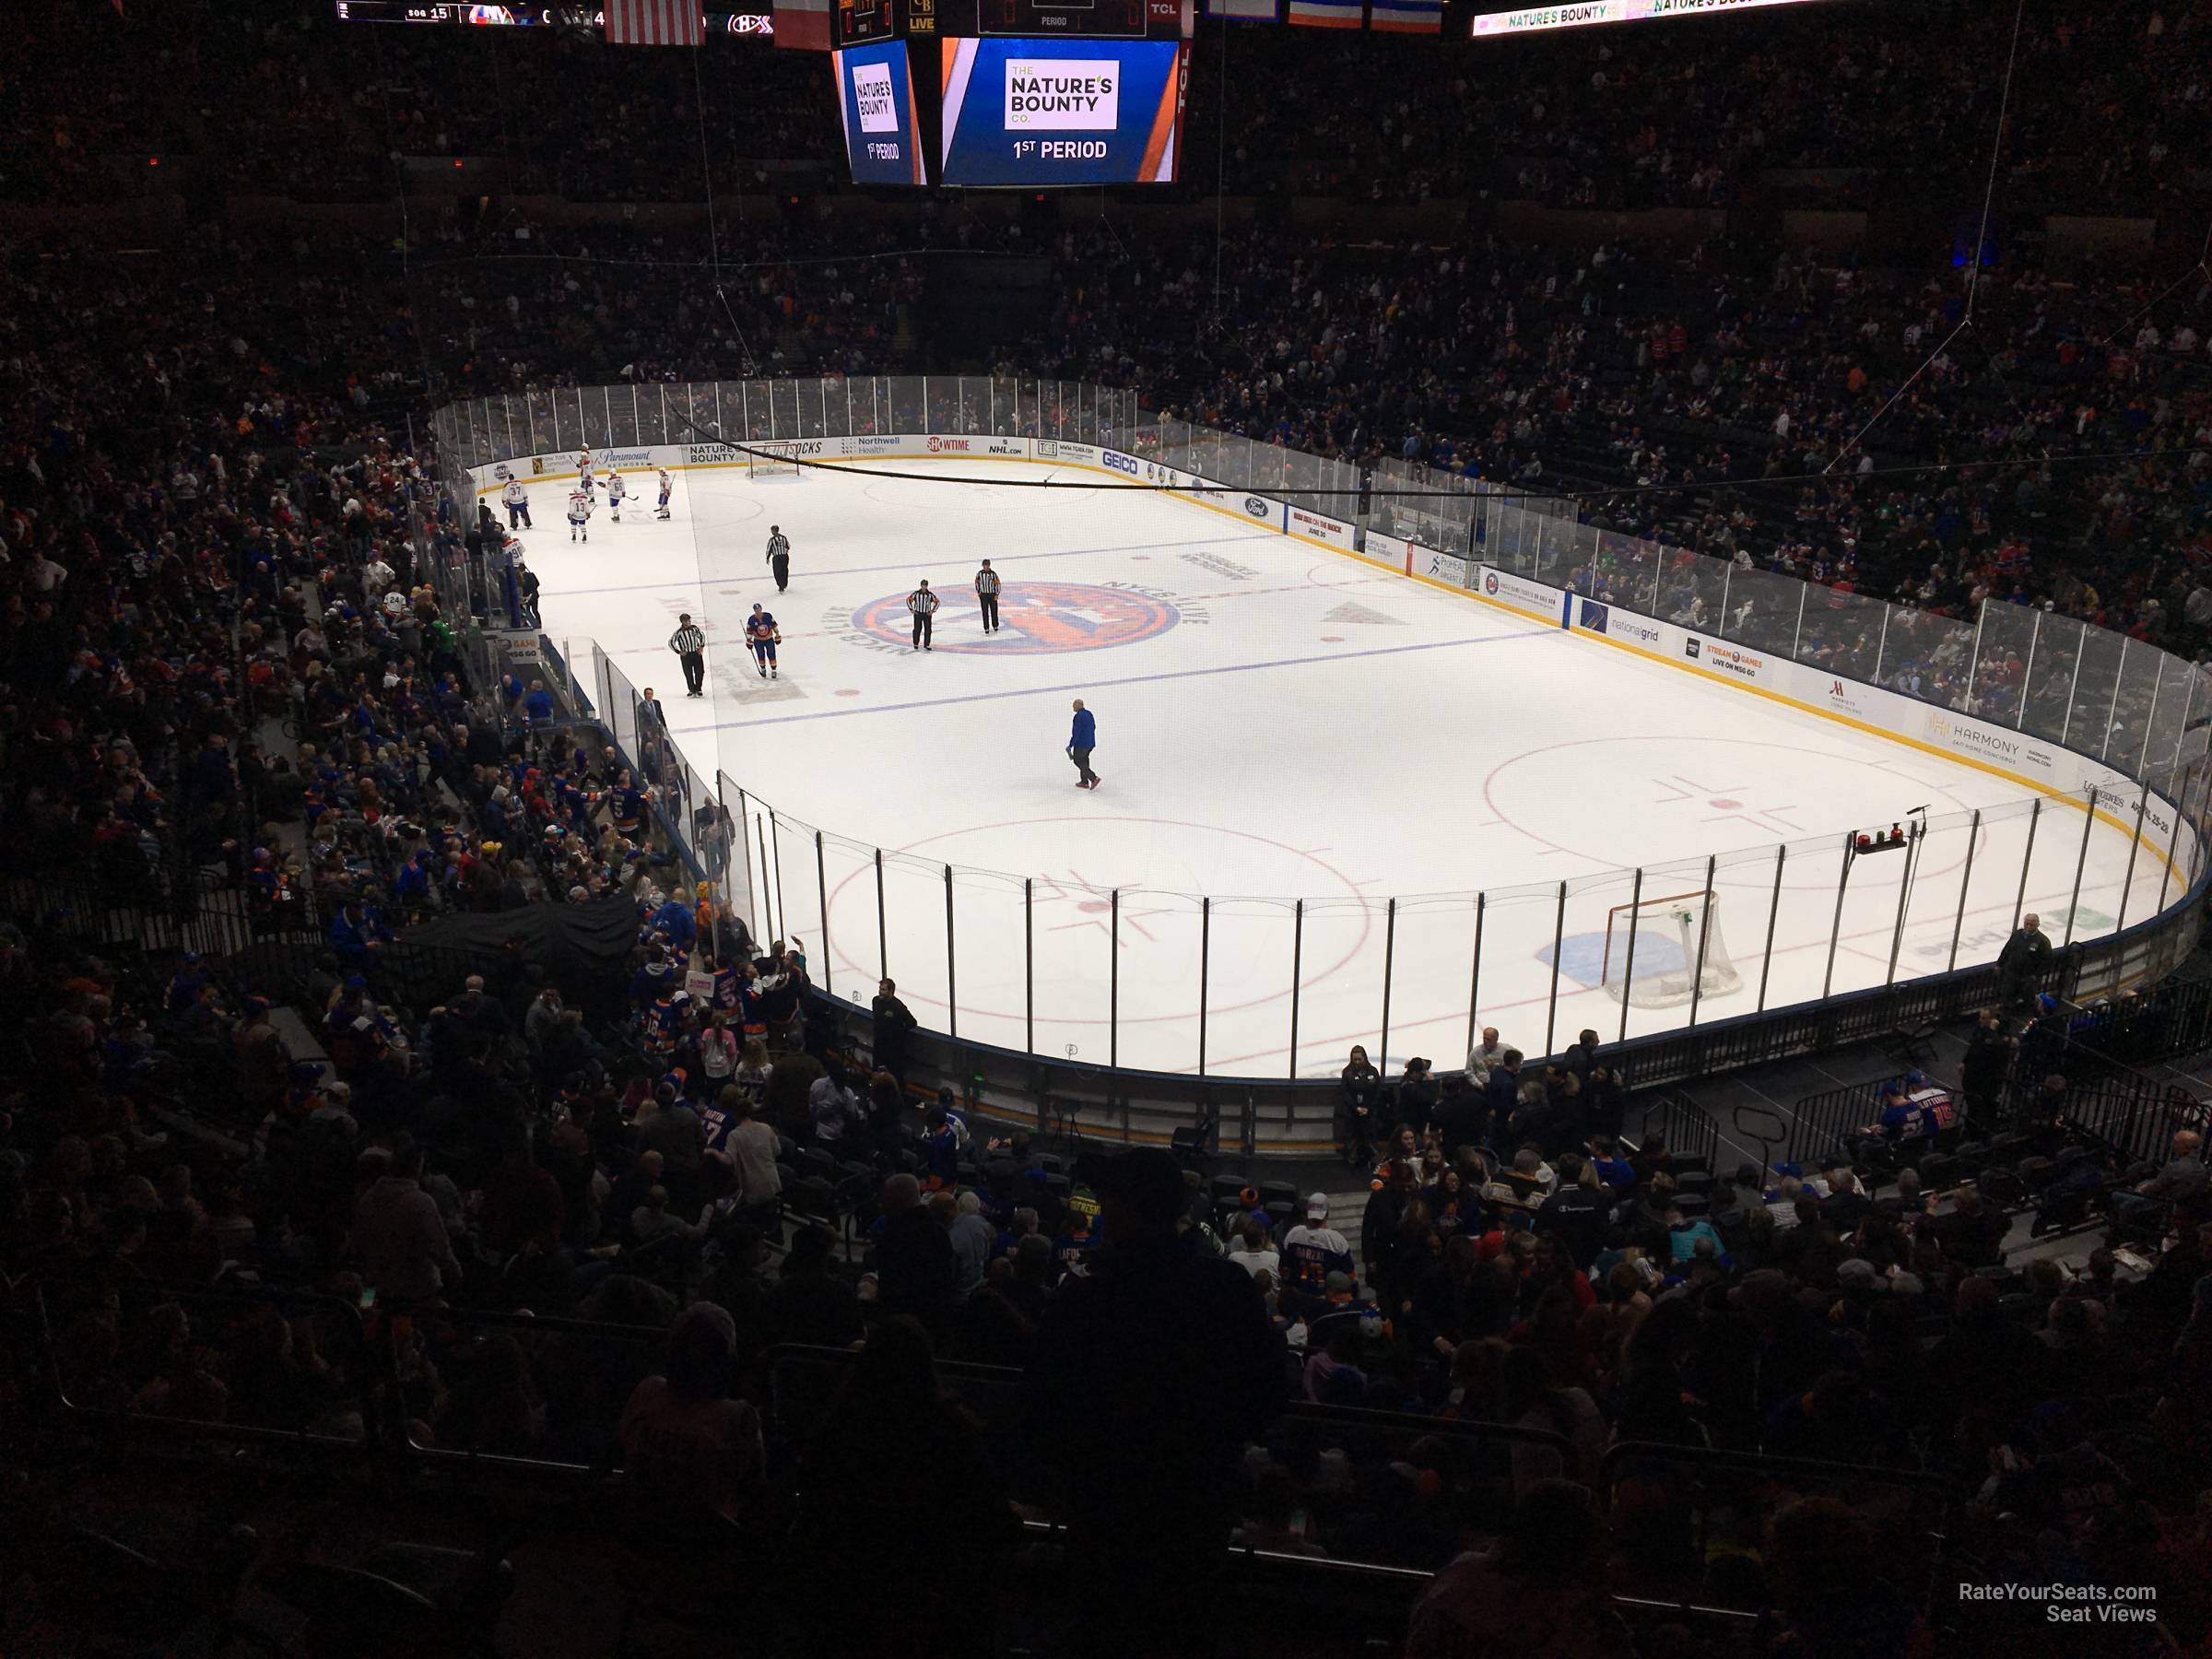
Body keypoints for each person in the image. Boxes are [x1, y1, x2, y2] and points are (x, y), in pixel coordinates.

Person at [1026, 1148, 1286, 1658]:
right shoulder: (1229, 1291)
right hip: (1198, 1523)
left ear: (1120, 1211)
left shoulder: (1081, 1303)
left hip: (1102, 1527)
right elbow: (1266, 1404)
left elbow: (1040, 1420)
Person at [617, 1301, 763, 1523]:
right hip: (705, 1541)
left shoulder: (647, 1391)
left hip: (634, 1528)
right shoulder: (739, 1416)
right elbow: (753, 1486)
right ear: (727, 1360)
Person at [1998, 912, 2053, 1008]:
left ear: (2037, 925)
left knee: (2028, 999)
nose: (2028, 926)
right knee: (2007, 998)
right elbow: (2007, 949)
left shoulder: (2042, 941)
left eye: (2031, 924)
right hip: (2012, 973)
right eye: (2026, 924)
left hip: (2028, 976)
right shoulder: (2018, 934)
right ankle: (2007, 1017)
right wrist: (1999, 964)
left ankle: (2030, 1017)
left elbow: (2047, 960)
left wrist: (2036, 975)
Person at [1339, 1043, 1382, 1166]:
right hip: (1353, 1112)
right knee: (1352, 1137)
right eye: (1355, 1060)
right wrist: (1355, 1107)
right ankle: (1351, 1160)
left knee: (1371, 1137)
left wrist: (1369, 1108)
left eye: (1359, 1059)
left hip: (1369, 1111)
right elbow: (1345, 1093)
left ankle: (1374, 1160)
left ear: (1365, 1058)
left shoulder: (1373, 1072)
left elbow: (1377, 1092)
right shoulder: (1347, 1073)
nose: (1357, 1062)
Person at [872, 978, 918, 1080]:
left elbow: (912, 1023)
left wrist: (899, 1032)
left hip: (893, 1049)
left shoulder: (898, 1007)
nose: (880, 991)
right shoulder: (875, 1001)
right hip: (879, 1045)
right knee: (876, 1070)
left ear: (891, 991)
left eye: (883, 989)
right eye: (880, 988)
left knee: (894, 1074)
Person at [669, 613, 707, 699]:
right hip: (686, 656)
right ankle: (691, 689)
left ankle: (698, 689)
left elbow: (702, 636)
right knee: (688, 673)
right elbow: (671, 642)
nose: (687, 623)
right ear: (682, 622)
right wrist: (678, 652)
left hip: (696, 653)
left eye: (689, 621)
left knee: (700, 671)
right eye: (685, 621)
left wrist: (701, 646)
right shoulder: (679, 632)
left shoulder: (694, 629)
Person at [1068, 698, 1100, 791]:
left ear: (1078, 706)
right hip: (1090, 743)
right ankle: (1084, 782)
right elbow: (1093, 726)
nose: (1073, 707)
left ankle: (1093, 778)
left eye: (1074, 705)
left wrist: (1071, 744)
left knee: (1078, 761)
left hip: (1081, 744)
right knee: (1084, 760)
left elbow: (1076, 731)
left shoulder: (1078, 716)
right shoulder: (1089, 713)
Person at [746, 603, 781, 680]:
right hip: (758, 641)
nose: (758, 611)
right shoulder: (752, 619)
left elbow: (774, 626)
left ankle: (774, 670)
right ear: (754, 611)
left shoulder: (768, 616)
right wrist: (749, 640)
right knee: (760, 654)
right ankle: (763, 668)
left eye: (759, 610)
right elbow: (749, 631)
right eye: (756, 610)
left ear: (761, 609)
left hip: (769, 639)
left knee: (771, 654)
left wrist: (777, 635)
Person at [907, 578, 939, 650]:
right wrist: (911, 609)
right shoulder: (916, 594)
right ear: (921, 586)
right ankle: (916, 643)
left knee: (928, 629)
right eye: (922, 585)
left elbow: (937, 602)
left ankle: (927, 644)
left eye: (925, 585)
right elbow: (908, 600)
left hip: (927, 614)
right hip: (918, 614)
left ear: (927, 586)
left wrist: (932, 611)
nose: (924, 587)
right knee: (917, 629)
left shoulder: (930, 595)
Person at [974, 558, 1003, 633]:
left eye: (986, 565)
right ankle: (986, 627)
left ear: (989, 566)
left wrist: (997, 594)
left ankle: (995, 625)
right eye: (984, 565)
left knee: (994, 611)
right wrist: (979, 592)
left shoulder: (993, 574)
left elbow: (997, 584)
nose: (985, 567)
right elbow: (977, 583)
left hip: (992, 595)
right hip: (983, 595)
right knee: (985, 611)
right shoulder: (979, 574)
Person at [765, 524, 791, 592]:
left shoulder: (772, 540)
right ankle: (784, 584)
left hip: (777, 558)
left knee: (777, 572)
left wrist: (767, 558)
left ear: (774, 531)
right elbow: (788, 546)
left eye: (772, 531)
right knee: (784, 570)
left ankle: (781, 585)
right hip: (785, 556)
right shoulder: (784, 538)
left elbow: (769, 549)